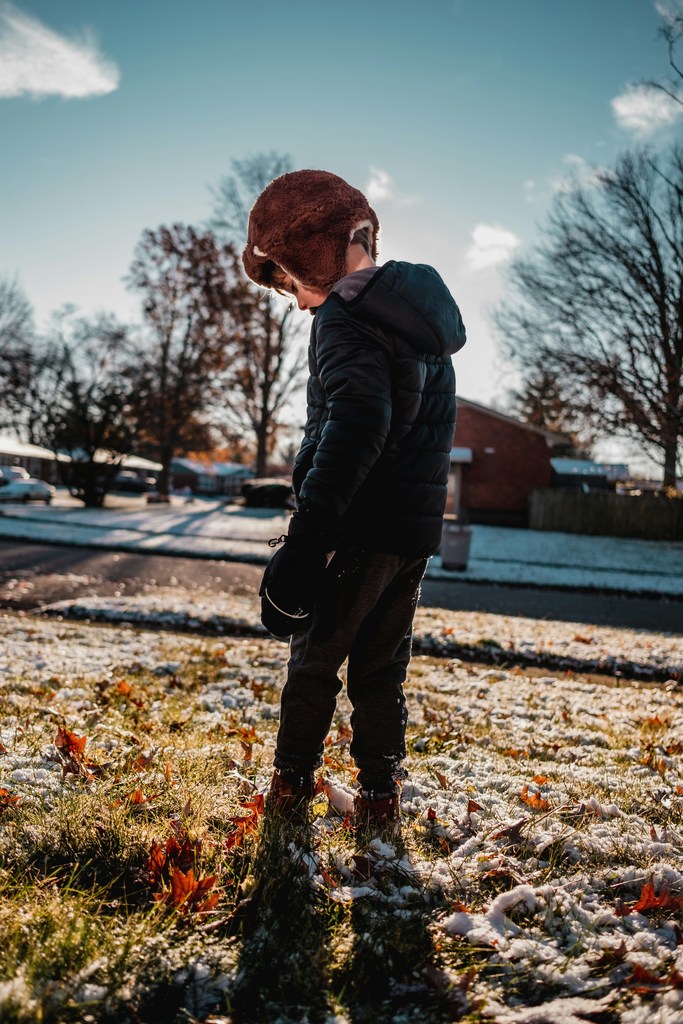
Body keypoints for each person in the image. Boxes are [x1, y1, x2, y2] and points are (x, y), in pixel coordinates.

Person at [242, 170, 466, 822]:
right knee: (379, 671)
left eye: (289, 280)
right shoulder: (419, 317)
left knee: (313, 664)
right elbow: (419, 429)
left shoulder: (345, 316)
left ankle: (289, 792)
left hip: (356, 527)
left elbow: (356, 425)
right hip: (411, 533)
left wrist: (308, 537)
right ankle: (378, 798)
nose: (297, 301)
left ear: (319, 251)